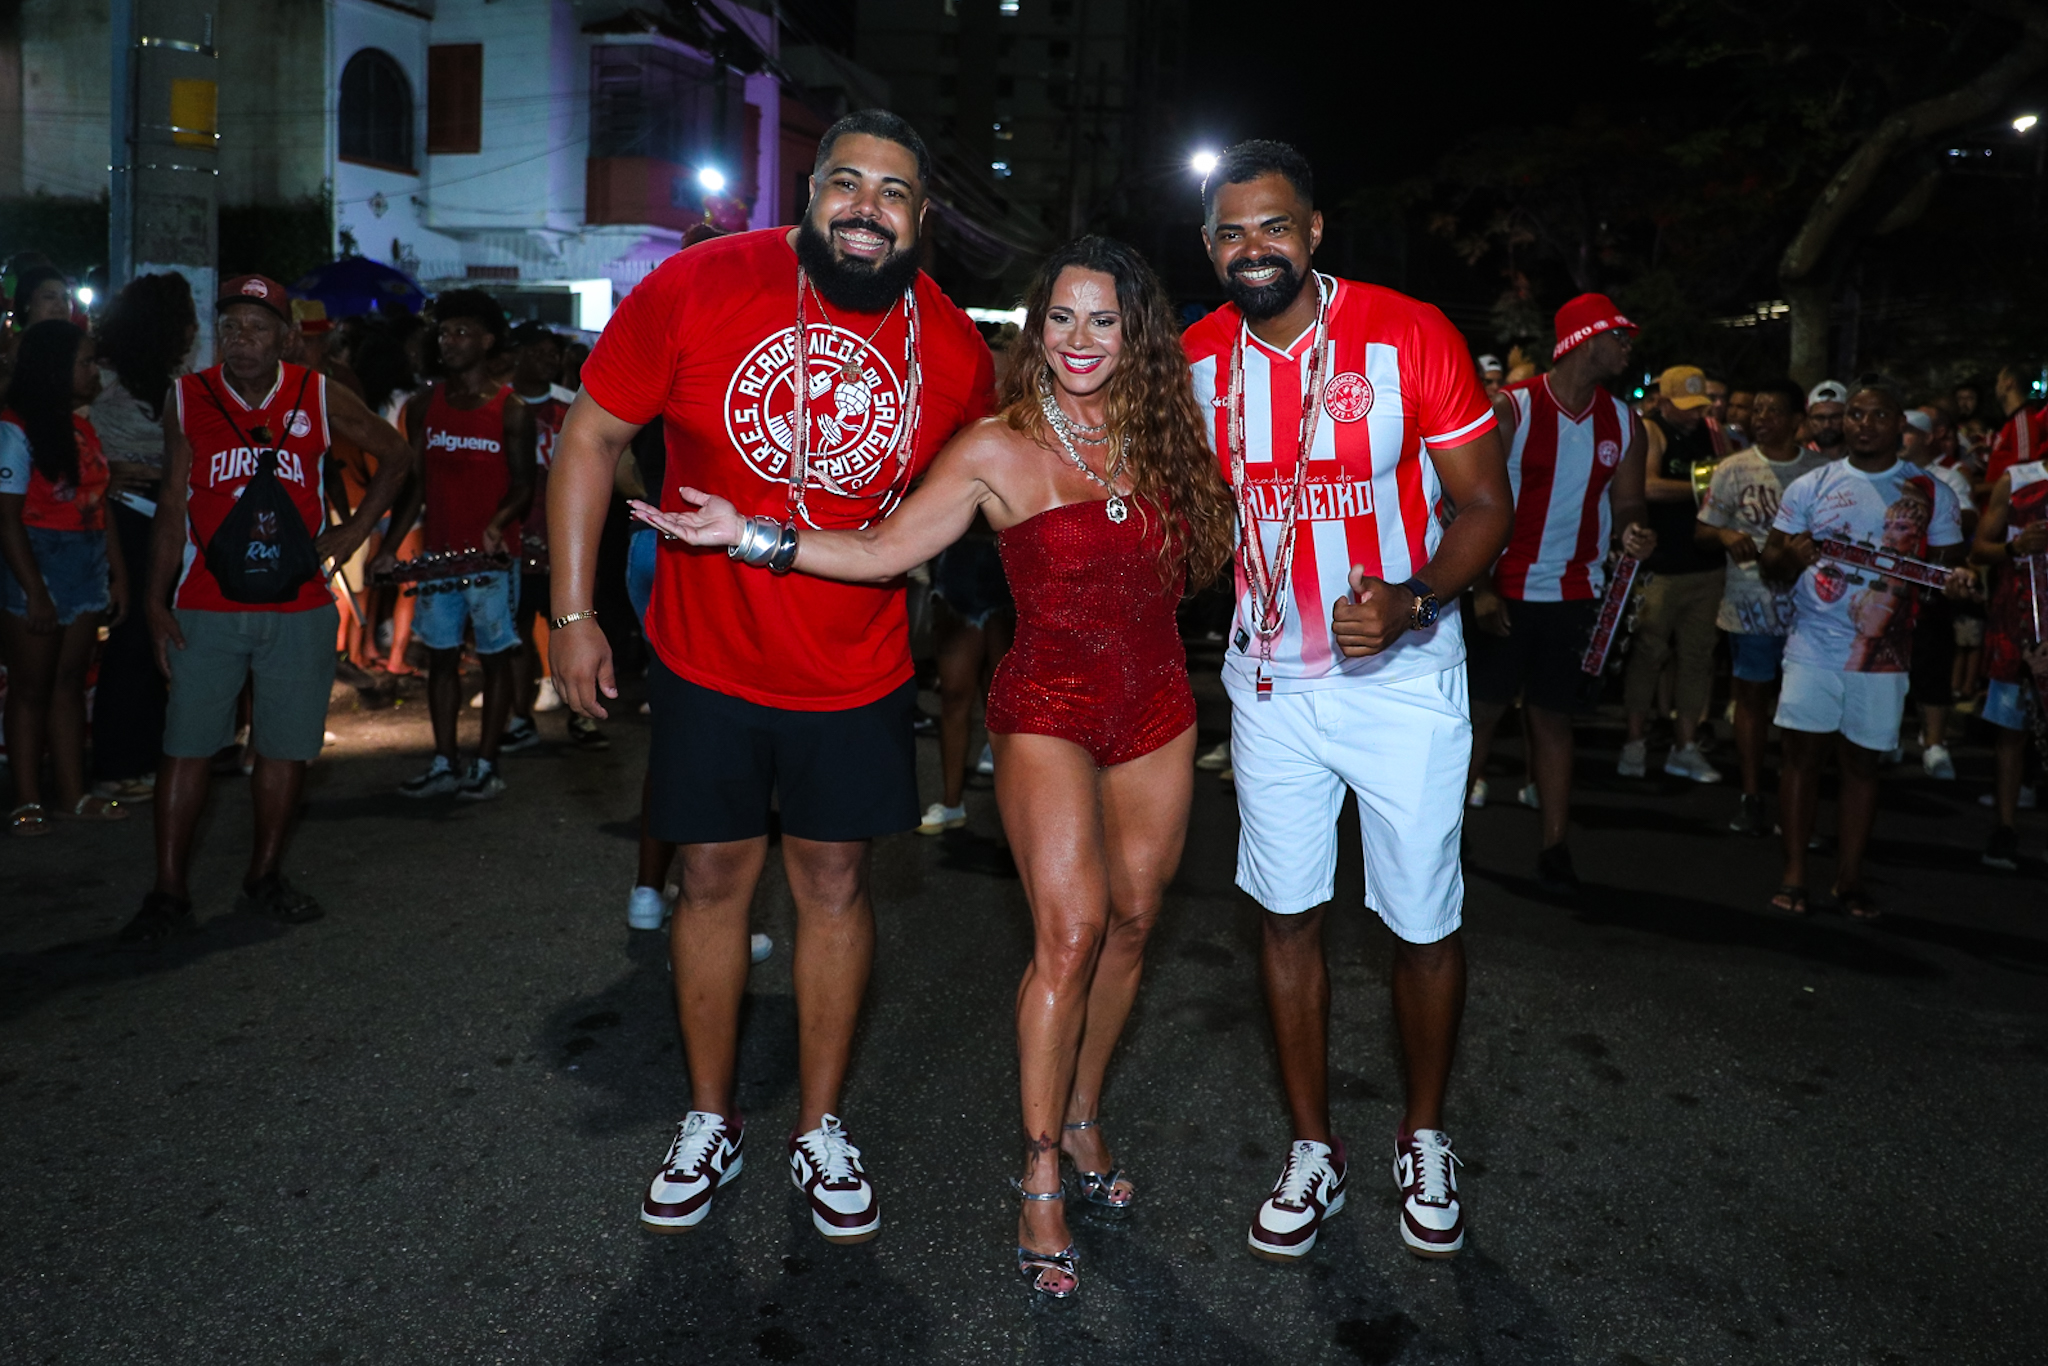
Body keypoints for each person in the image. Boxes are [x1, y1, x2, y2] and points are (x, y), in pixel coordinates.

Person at [640, 233, 1232, 1299]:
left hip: (1157, 710)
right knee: (1071, 930)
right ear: (1034, 329)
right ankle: (1041, 1168)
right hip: (1045, 708)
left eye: (1101, 319)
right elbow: (877, 552)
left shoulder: (1170, 435)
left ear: (1134, 332)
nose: (1079, 339)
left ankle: (1087, 1114)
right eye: (1059, 317)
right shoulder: (995, 448)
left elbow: (1215, 553)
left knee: (1137, 921)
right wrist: (752, 536)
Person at [546, 110, 995, 1248]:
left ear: (920, 219)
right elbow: (589, 437)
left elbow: (985, 501)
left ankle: (821, 1124)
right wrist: (570, 614)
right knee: (709, 882)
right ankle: (709, 1117)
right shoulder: (702, 285)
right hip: (707, 656)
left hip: (854, 668)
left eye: (892, 193)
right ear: (807, 194)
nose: (864, 207)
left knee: (836, 887)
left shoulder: (953, 351)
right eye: (844, 183)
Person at [1181, 141, 1513, 1263]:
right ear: (1209, 247)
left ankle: (1422, 1134)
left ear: (1313, 231)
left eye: (1270, 226)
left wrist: (1415, 596)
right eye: (1228, 233)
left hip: (1401, 679)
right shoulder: (1193, 361)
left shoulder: (1407, 331)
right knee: (1284, 915)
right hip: (1267, 683)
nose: (1250, 249)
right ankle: (1312, 1147)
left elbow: (1482, 503)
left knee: (1419, 921)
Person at [121, 275, 413, 939]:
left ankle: (265, 876)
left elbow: (396, 454)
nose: (240, 339)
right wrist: (155, 600)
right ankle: (167, 892)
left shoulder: (315, 393)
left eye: (256, 327)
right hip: (206, 601)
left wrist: (353, 531)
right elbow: (172, 504)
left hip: (300, 602)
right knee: (187, 748)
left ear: (286, 337)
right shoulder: (187, 397)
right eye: (230, 327)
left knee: (285, 749)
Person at [1761, 378, 1970, 919]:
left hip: (1885, 652)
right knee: (1802, 758)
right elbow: (1771, 562)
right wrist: (1792, 558)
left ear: (1900, 425)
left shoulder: (1931, 493)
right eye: (1855, 414)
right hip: (1814, 642)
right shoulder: (1813, 486)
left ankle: (1849, 878)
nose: (1864, 424)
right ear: (1840, 421)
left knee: (1861, 764)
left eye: (1878, 415)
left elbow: (1945, 568)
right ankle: (1794, 872)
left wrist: (1954, 582)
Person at [1469, 293, 1655, 887]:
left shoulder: (1625, 422)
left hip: (1576, 592)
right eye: (1618, 337)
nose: (1627, 348)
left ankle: (1555, 845)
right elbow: (1473, 504)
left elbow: (1627, 502)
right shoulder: (1512, 409)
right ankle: (1443, 840)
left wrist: (1634, 532)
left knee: (1553, 720)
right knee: (1480, 717)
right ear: (1585, 340)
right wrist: (1483, 587)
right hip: (1509, 587)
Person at [383, 292, 536, 801]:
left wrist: (498, 522)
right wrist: (389, 547)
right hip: (440, 557)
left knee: (495, 658)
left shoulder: (510, 410)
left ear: (488, 340)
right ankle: (444, 761)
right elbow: (416, 486)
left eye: (463, 332)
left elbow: (523, 484)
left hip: (492, 560)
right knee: (441, 657)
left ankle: (487, 763)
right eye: (445, 333)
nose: (450, 342)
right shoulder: (425, 405)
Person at [1, 321, 128, 832]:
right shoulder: (14, 428)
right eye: (85, 362)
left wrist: (116, 574)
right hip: (35, 564)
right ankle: (27, 799)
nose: (93, 370)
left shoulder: (81, 427)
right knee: (31, 688)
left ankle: (73, 794)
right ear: (56, 369)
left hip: (84, 563)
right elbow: (5, 517)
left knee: (69, 684)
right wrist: (34, 590)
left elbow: (101, 507)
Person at [1695, 380, 1827, 833]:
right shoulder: (1733, 468)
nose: (1761, 418)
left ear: (1797, 422)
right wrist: (1726, 534)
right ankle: (1751, 793)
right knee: (1751, 697)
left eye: (1773, 411)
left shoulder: (1820, 471)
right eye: (1758, 409)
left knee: (1801, 703)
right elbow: (1703, 529)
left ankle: (1799, 792)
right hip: (1749, 602)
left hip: (1810, 609)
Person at [88, 272, 198, 803]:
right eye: (185, 319)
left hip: (163, 518)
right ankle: (114, 762)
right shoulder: (106, 385)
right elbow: (75, 450)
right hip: (125, 520)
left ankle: (147, 754)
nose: (193, 329)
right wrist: (113, 472)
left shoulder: (170, 382)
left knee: (158, 637)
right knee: (132, 639)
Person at [1618, 365, 1727, 783]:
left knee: (1697, 660)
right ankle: (1634, 741)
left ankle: (1685, 746)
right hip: (1659, 566)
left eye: (1699, 406)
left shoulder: (1713, 431)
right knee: (1649, 654)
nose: (1694, 414)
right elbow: (1646, 486)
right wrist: (1707, 488)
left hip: (1705, 565)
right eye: (1684, 406)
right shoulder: (1650, 429)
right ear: (1663, 401)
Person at [501, 322, 605, 752]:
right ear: (518, 355)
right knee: (517, 632)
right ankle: (520, 716)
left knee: (579, 623)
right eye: (539, 351)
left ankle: (584, 716)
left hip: (567, 544)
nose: (550, 360)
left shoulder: (574, 407)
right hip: (516, 539)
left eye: (554, 353)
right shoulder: (502, 405)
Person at [1969, 456, 2048, 869]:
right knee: (2011, 731)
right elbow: (1980, 549)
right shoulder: (2019, 479)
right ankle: (2004, 827)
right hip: (2017, 623)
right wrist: (2015, 547)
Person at [915, 524, 1014, 833]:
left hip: (1007, 562)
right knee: (954, 695)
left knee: (1005, 705)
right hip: (958, 564)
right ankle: (951, 804)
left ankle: (1010, 819)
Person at [1902, 407, 1977, 779]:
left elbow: (1964, 519)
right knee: (1886, 667)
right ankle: (1886, 740)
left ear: (1929, 436)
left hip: (1930, 590)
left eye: (1910, 432)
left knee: (1931, 665)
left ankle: (1934, 744)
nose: (1901, 437)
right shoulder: (1883, 475)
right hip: (1887, 591)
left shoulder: (1949, 478)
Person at [1803, 380, 1848, 456]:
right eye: (1819, 418)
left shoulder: (1862, 459)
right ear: (1808, 419)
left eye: (1835, 417)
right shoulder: (1799, 461)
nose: (1827, 425)